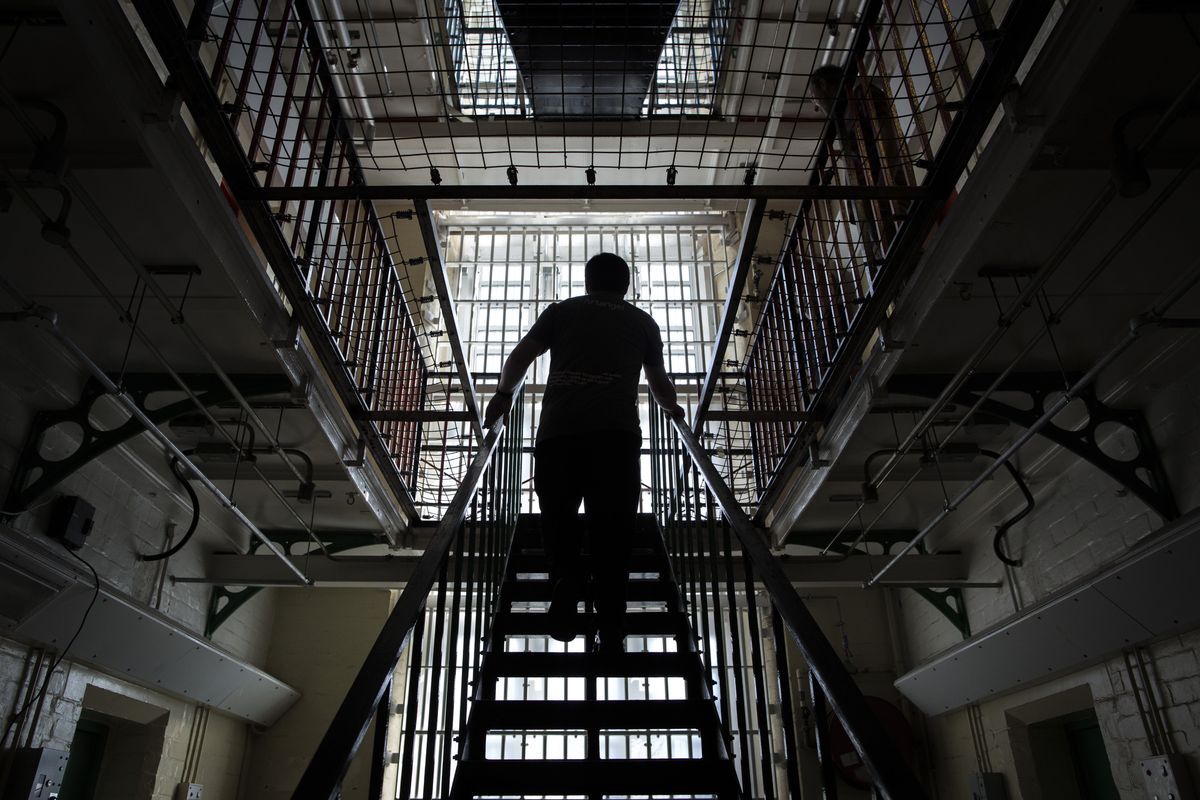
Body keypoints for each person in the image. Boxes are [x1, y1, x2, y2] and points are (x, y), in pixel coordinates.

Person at [483, 252, 685, 655]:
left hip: (559, 434)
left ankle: (565, 579)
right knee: (613, 529)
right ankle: (610, 621)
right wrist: (673, 409)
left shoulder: (560, 312)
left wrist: (503, 396)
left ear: (588, 281)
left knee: (558, 518)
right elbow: (659, 381)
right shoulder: (643, 322)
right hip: (616, 436)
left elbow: (521, 356)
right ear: (625, 285)